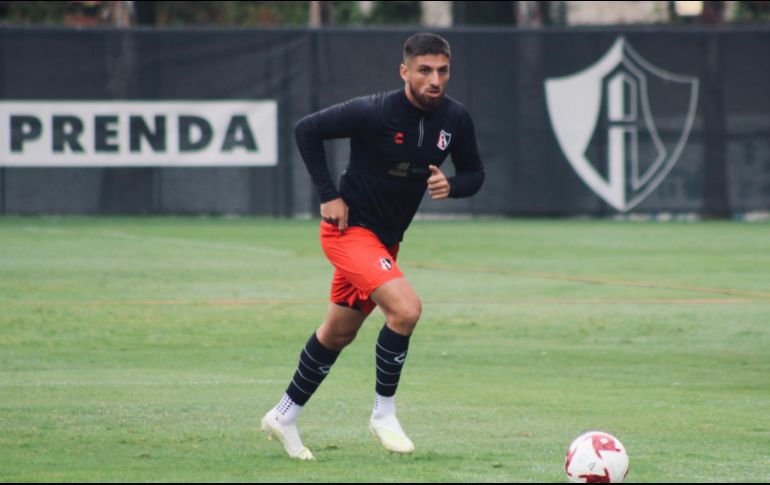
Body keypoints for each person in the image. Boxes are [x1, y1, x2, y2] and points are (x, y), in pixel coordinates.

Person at [261, 32, 484, 460]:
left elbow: (475, 173)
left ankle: (283, 415)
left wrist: (451, 186)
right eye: (424, 70)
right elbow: (306, 130)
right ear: (405, 72)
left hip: (386, 242)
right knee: (405, 310)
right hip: (349, 233)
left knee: (338, 333)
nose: (434, 79)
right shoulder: (374, 110)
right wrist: (328, 194)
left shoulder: (455, 119)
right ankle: (383, 414)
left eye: (442, 70)